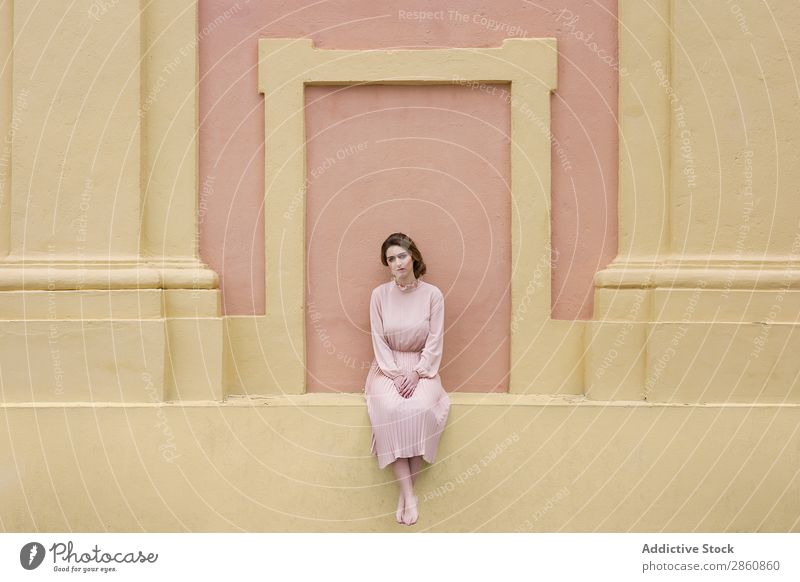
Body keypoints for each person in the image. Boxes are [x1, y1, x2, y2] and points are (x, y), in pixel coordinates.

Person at [364, 232, 451, 526]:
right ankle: (410, 495)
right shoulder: (379, 295)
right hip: (387, 366)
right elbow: (378, 338)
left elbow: (436, 339)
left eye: (401, 255)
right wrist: (396, 373)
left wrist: (417, 372)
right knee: (390, 409)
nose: (397, 262)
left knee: (420, 408)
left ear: (413, 255)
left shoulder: (433, 295)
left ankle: (405, 492)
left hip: (422, 366)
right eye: (391, 259)